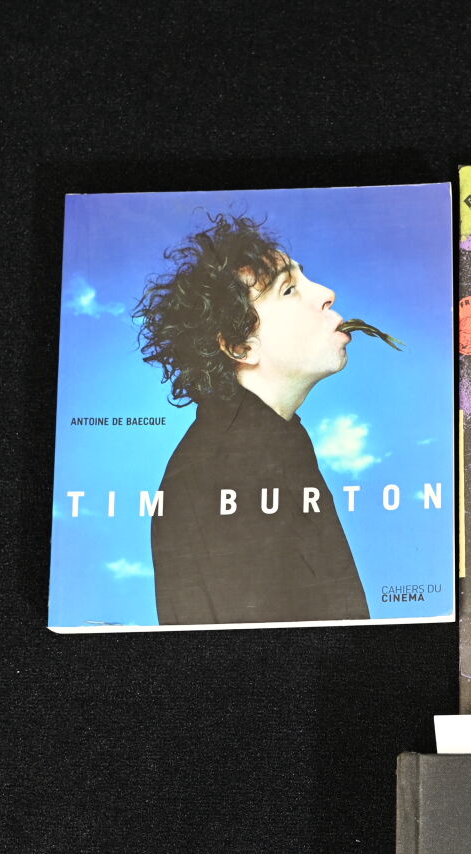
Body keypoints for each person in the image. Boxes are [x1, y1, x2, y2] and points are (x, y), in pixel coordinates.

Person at [134, 213, 370, 624]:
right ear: (240, 347)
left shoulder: (272, 441)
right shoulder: (224, 468)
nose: (327, 293)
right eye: (289, 290)